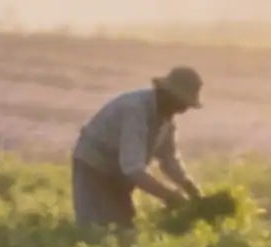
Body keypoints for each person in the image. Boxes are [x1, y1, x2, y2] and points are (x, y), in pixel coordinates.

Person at [72, 65, 204, 228]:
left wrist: (189, 187)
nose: (183, 110)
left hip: (119, 174)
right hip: (94, 166)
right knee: (94, 228)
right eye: (181, 103)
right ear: (167, 94)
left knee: (123, 227)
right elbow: (133, 169)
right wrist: (169, 196)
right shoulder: (135, 111)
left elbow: (169, 160)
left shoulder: (165, 120)